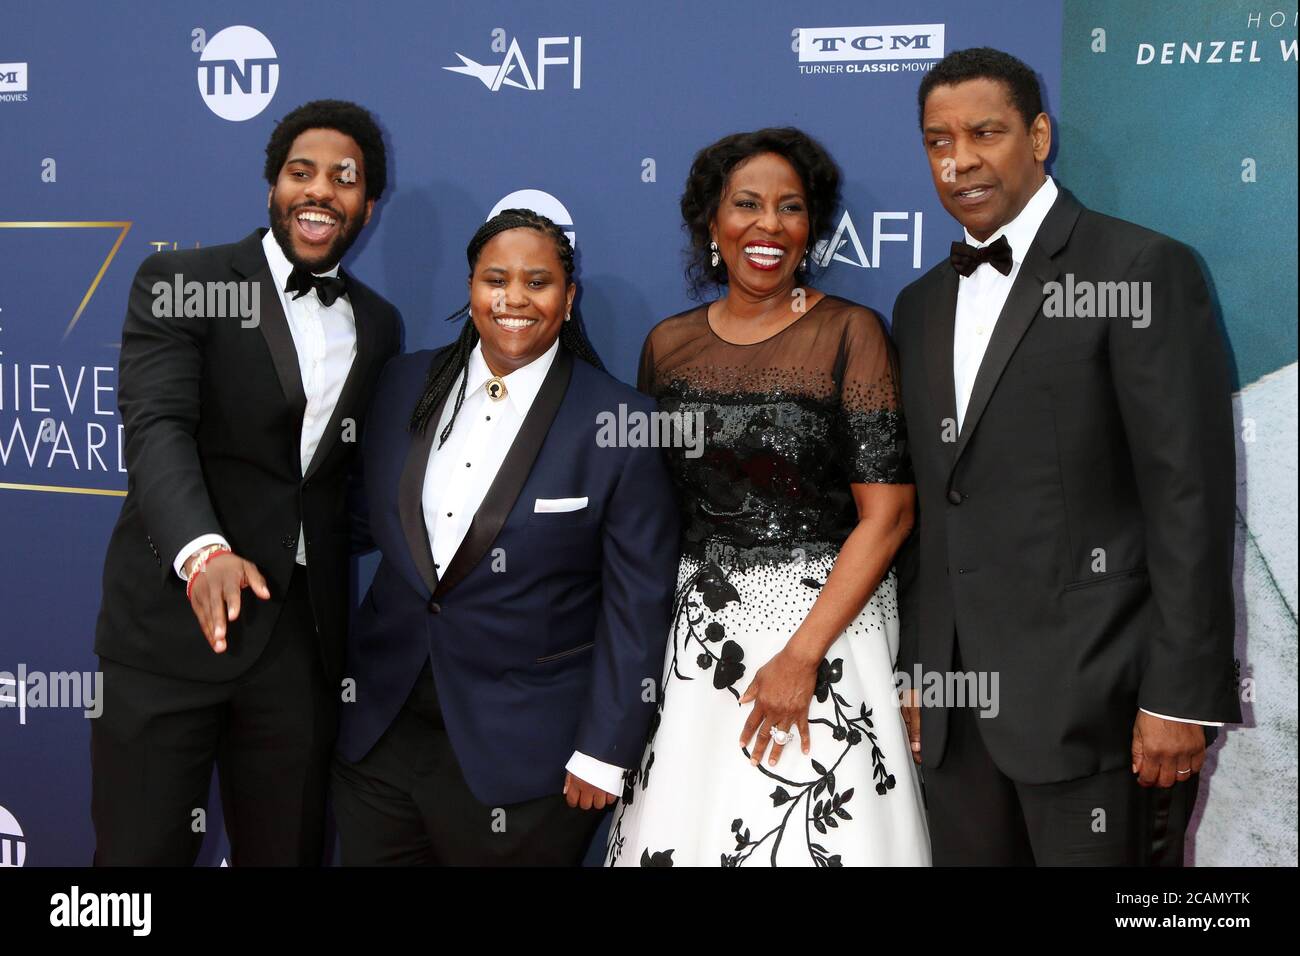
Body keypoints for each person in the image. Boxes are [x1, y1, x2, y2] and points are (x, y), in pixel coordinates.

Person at [891, 47, 1240, 866]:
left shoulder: (1140, 269)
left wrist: (1180, 695)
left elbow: (1186, 496)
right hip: (959, 717)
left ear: (1039, 135)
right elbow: (938, 511)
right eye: (938, 141)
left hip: (1103, 710)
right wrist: (920, 674)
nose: (960, 160)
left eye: (985, 132)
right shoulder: (918, 304)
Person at [607, 128, 930, 866]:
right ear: (710, 224)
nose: (769, 224)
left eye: (790, 207)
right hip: (700, 640)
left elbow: (890, 515)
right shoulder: (668, 345)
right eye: (746, 204)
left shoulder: (851, 332)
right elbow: (654, 512)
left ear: (810, 227)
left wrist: (800, 657)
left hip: (828, 630)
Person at [92, 100, 402, 865]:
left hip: (300, 647)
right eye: (302, 172)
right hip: (172, 628)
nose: (321, 191)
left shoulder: (379, 323)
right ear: (272, 186)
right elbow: (157, 426)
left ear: (368, 204)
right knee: (136, 861)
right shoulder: (185, 280)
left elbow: (352, 479)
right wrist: (203, 553)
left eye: (345, 178)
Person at [331, 209, 679, 865]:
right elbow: (351, 521)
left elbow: (637, 604)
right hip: (380, 737)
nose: (514, 298)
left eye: (538, 281)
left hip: (526, 760)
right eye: (496, 278)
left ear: (569, 299)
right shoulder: (404, 383)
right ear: (470, 289)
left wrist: (606, 750)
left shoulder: (623, 423)